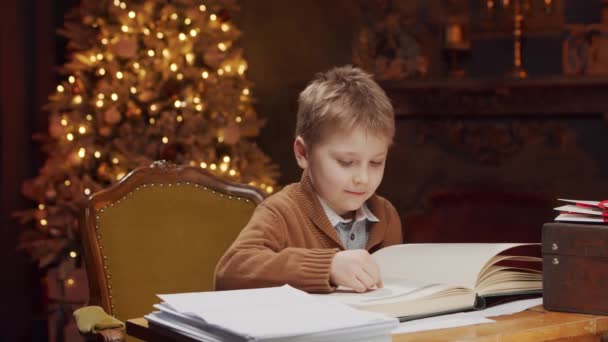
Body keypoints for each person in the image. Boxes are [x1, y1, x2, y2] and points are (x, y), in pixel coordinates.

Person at [214, 65, 403, 293]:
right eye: (345, 162)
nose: (363, 179)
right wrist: (328, 266)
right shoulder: (281, 212)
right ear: (303, 153)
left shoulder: (386, 215)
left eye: (376, 162)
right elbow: (230, 271)